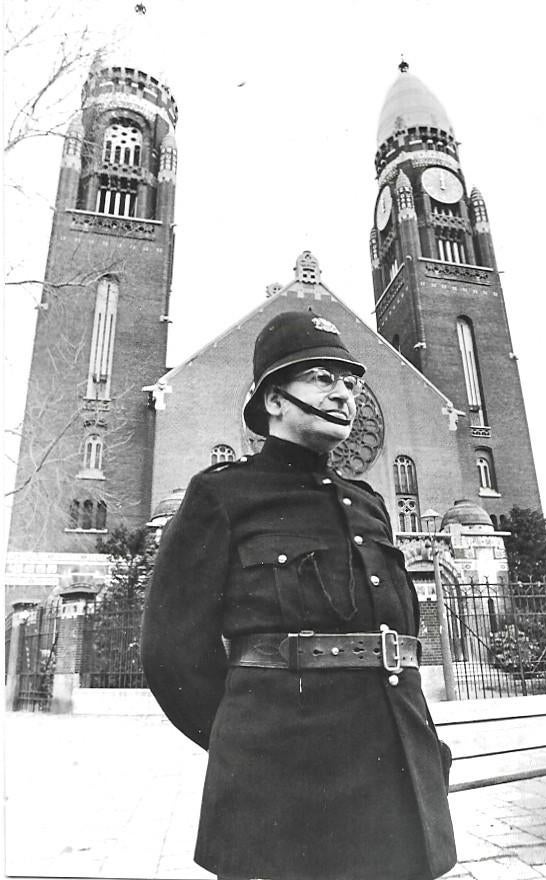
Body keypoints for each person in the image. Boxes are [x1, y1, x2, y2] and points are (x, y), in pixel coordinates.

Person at [141, 310, 457, 880]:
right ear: (273, 400)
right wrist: (249, 742)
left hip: (394, 776)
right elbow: (171, 651)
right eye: (321, 378)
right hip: (282, 789)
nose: (344, 394)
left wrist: (427, 749)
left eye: (352, 383)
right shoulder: (223, 495)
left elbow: (398, 640)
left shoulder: (368, 502)